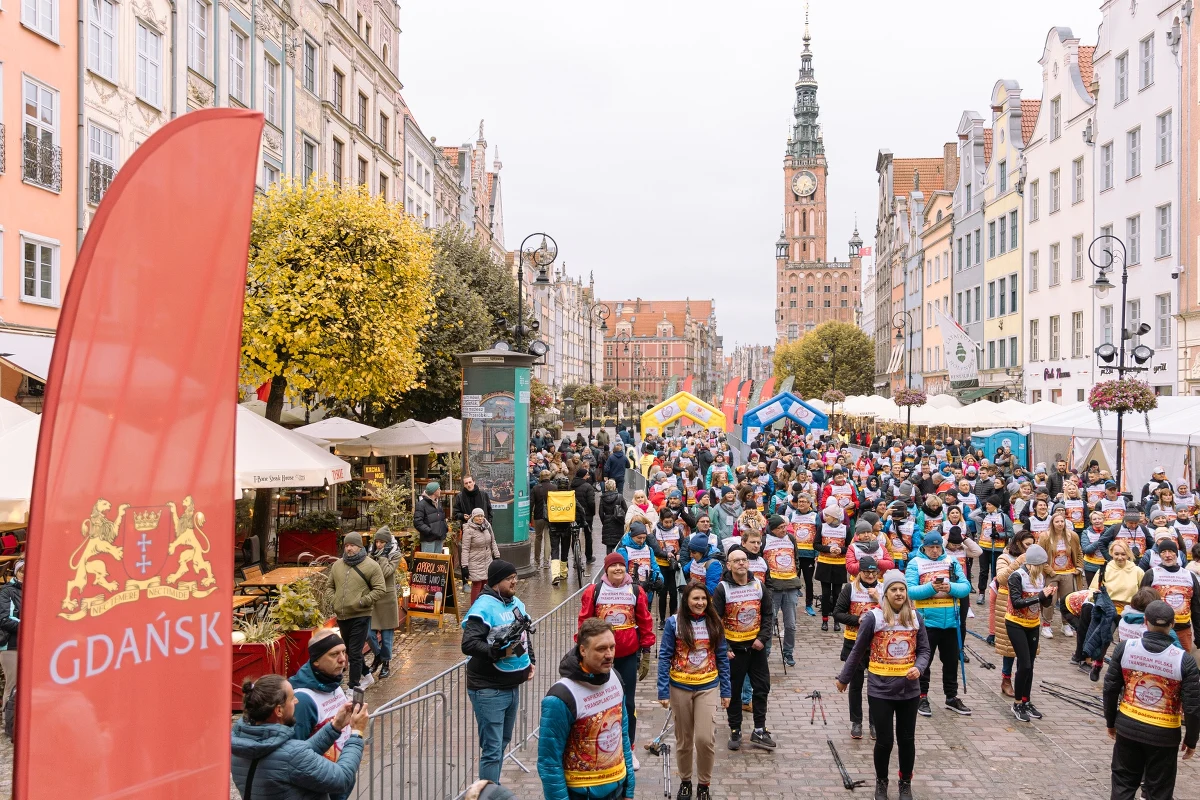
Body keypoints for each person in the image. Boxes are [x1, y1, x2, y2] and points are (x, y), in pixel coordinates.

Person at [835, 569, 930, 800]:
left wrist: (919, 667)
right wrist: (844, 678)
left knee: (906, 740)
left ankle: (905, 783)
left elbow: (925, 650)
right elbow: (858, 650)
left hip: (909, 690)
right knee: (885, 741)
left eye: (902, 589)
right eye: (893, 589)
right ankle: (881, 782)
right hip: (880, 689)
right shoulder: (873, 618)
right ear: (885, 593)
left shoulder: (915, 618)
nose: (898, 593)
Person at [1104, 600, 1200, 800]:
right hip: (1164, 735)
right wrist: (1191, 739)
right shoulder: (1184, 660)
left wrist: (1111, 722)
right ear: (1172, 625)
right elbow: (1192, 706)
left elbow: (1110, 689)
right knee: (1159, 791)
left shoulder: (1125, 648)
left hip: (1128, 727)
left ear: (1145, 621)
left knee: (1123, 784)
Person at [538, 618, 635, 800]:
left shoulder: (615, 678)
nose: (609, 655)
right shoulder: (561, 697)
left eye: (612, 647)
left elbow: (623, 735)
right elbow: (549, 763)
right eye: (601, 649)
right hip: (581, 794)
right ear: (583, 650)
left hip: (617, 788)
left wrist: (629, 788)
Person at [231, 674, 367, 800]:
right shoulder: (291, 756)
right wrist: (356, 733)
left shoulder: (240, 746)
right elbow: (342, 779)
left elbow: (300, 753)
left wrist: (335, 726)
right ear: (279, 710)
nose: (296, 701)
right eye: (292, 698)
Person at [577, 552, 655, 770]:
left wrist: (646, 651)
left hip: (627, 655)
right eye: (613, 566)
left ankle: (629, 748)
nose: (618, 569)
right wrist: (580, 651)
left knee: (628, 703)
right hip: (599, 657)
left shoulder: (635, 591)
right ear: (606, 570)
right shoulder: (594, 591)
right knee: (596, 701)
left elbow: (645, 620)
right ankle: (597, 746)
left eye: (621, 565)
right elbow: (584, 621)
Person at [461, 560, 536, 784]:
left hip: (511, 686)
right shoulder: (483, 607)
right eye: (509, 578)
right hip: (488, 689)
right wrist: (495, 653)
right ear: (496, 582)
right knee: (492, 750)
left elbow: (523, 636)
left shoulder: (515, 604)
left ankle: (491, 787)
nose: (515, 581)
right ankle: (488, 793)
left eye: (515, 577)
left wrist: (529, 660)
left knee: (502, 742)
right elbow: (469, 644)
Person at [657, 582, 731, 800]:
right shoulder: (674, 623)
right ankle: (686, 781)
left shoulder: (715, 623)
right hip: (680, 686)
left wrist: (726, 690)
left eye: (703, 599)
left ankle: (704, 784)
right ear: (686, 600)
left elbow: (722, 657)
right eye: (695, 598)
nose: (700, 603)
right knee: (684, 740)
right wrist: (662, 691)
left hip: (707, 685)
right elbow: (665, 656)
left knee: (705, 739)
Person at [713, 548, 775, 751]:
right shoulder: (722, 589)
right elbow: (715, 621)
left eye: (744, 560)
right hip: (734, 650)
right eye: (736, 560)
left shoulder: (758, 585)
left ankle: (759, 729)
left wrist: (762, 638)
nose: (741, 563)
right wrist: (725, 647)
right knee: (734, 691)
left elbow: (768, 614)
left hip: (756, 648)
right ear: (729, 565)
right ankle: (735, 729)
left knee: (762, 688)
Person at [905, 531, 972, 716]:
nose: (935, 551)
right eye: (931, 547)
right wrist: (931, 588)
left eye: (937, 547)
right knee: (924, 662)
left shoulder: (951, 561)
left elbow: (965, 587)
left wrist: (950, 587)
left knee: (951, 662)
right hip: (927, 622)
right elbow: (910, 590)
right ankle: (921, 696)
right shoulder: (915, 563)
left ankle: (951, 697)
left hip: (951, 622)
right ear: (924, 547)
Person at [1004, 543, 1055, 722]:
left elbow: (1043, 603)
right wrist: (1039, 596)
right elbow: (1017, 602)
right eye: (1041, 565)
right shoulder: (1017, 576)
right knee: (1024, 664)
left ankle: (1026, 700)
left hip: (1033, 623)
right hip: (1015, 623)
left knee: (1030, 665)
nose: (1043, 569)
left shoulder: (1040, 577)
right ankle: (1017, 703)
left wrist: (1048, 597)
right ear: (1033, 564)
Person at [329, 532, 386, 690]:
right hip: (342, 615)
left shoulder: (371, 566)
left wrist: (362, 601)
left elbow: (380, 589)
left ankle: (353, 688)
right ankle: (367, 675)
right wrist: (334, 600)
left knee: (354, 653)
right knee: (350, 650)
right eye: (346, 545)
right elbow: (329, 586)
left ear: (360, 546)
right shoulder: (337, 565)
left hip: (361, 615)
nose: (349, 548)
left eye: (352, 545)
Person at [833, 554, 882, 740]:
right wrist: (857, 619)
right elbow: (838, 613)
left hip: (877, 644)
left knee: (876, 686)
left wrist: (878, 598)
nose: (870, 576)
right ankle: (856, 722)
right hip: (853, 642)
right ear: (859, 572)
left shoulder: (883, 588)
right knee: (855, 684)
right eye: (866, 572)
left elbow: (893, 613)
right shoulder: (850, 588)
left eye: (873, 572)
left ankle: (875, 723)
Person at [1084, 540, 1146, 682]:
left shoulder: (1137, 571)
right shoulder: (1105, 569)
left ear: (1128, 554)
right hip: (1109, 608)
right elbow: (1093, 588)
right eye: (1116, 554)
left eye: (1123, 554)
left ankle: (1128, 670)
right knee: (1104, 638)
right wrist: (1095, 595)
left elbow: (1143, 591)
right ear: (1111, 553)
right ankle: (1098, 664)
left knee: (1129, 643)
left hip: (1130, 610)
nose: (1120, 557)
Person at [1139, 537, 1200, 652]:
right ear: (1159, 555)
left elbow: (1196, 606)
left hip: (1182, 629)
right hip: (1157, 630)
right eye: (1163, 552)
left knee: (1183, 661)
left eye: (1171, 551)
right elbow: (1141, 604)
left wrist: (1198, 633)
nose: (1167, 555)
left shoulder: (1189, 575)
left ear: (1177, 554)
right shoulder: (1151, 574)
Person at [1037, 512, 1083, 638]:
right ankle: (1046, 625)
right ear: (1052, 523)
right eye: (1057, 521)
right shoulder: (1045, 537)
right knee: (1050, 600)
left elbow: (1079, 552)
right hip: (1052, 573)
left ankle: (1066, 624)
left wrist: (1079, 568)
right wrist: (1049, 570)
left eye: (1062, 521)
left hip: (1068, 573)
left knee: (1067, 600)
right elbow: (1040, 556)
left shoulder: (1072, 536)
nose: (1060, 524)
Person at [367, 527, 402, 678]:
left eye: (382, 542)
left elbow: (385, 572)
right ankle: (378, 656)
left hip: (387, 599)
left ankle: (385, 663)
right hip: (373, 598)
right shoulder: (370, 554)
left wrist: (381, 556)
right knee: (369, 633)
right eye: (377, 542)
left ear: (387, 543)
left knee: (387, 637)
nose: (379, 545)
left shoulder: (395, 554)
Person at [815, 500, 850, 633]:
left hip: (839, 565)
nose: (825, 517)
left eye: (828, 515)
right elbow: (816, 544)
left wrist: (841, 550)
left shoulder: (845, 529)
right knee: (825, 594)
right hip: (825, 564)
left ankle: (836, 621)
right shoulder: (822, 527)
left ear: (835, 517)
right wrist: (828, 549)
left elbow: (850, 547)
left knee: (837, 594)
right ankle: (824, 620)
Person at [462, 509, 502, 606]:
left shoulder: (487, 526)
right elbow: (465, 549)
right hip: (475, 561)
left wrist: (497, 555)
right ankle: (474, 607)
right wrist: (464, 566)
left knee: (486, 584)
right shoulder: (468, 530)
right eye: (478, 516)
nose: (480, 518)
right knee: (477, 584)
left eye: (482, 516)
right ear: (473, 517)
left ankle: (483, 605)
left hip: (487, 560)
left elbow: (493, 541)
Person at [0, 559, 22, 723]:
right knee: (13, 685)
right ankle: (8, 723)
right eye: (22, 571)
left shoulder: (35, 590)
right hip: (11, 645)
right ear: (16, 573)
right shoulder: (7, 591)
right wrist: (30, 626)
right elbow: (4, 619)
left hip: (30, 645)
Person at [413, 482, 449, 554]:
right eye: (438, 489)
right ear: (434, 491)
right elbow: (417, 522)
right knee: (428, 560)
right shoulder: (421, 505)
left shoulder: (438, 503)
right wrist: (430, 531)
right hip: (428, 540)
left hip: (439, 538)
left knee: (438, 560)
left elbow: (442, 518)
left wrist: (445, 528)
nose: (440, 490)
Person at [531, 469, 556, 570]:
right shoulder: (554, 488)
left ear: (540, 477)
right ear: (549, 477)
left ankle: (537, 561)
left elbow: (531, 503)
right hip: (551, 516)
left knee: (538, 537)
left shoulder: (536, 488)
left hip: (538, 516)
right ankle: (546, 561)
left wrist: (529, 517)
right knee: (548, 538)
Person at [599, 478, 629, 555]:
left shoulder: (602, 498)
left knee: (609, 546)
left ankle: (609, 560)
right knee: (619, 544)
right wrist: (623, 520)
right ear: (614, 486)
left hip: (607, 521)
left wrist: (604, 521)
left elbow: (601, 512)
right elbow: (626, 509)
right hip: (618, 521)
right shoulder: (619, 497)